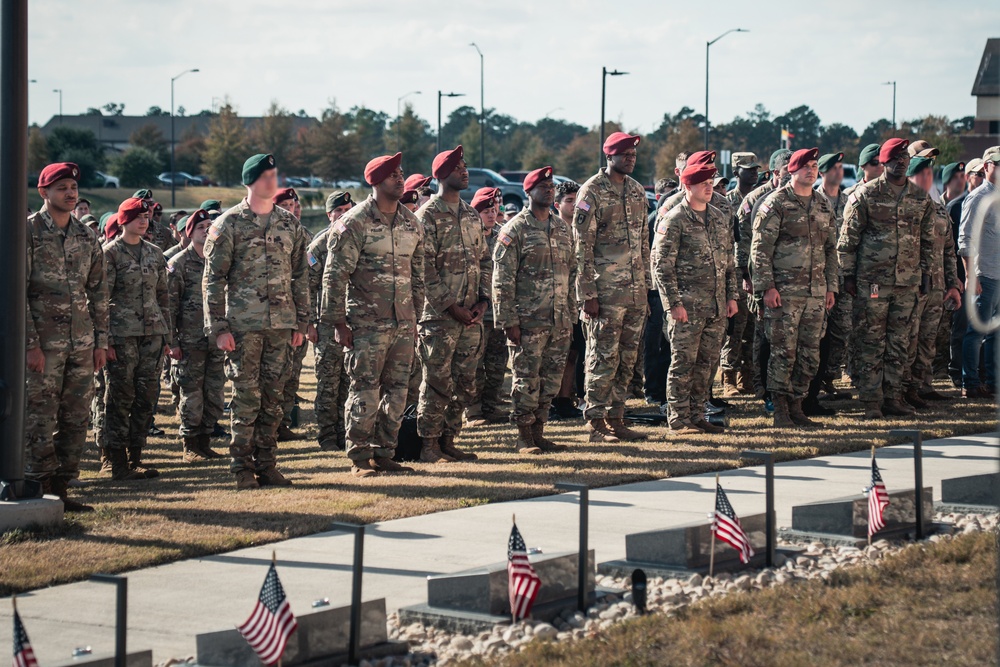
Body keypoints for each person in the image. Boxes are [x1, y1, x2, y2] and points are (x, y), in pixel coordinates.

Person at [203, 154, 310, 490]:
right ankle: (242, 468)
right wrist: (219, 328)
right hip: (244, 327)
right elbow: (213, 279)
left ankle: (267, 465)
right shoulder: (228, 224)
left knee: (274, 400)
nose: (272, 181)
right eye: (265, 176)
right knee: (246, 398)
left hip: (281, 326)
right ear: (249, 181)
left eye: (274, 175)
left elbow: (300, 276)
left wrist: (301, 322)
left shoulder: (289, 223)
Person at [321, 153, 424, 478]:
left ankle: (384, 452)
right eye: (393, 175)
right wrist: (338, 322)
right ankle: (360, 457)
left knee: (398, 392)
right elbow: (334, 275)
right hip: (366, 324)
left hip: (403, 323)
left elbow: (418, 275)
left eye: (401, 173)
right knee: (364, 390)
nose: (400, 179)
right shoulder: (355, 222)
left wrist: (416, 318)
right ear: (376, 181)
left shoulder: (411, 223)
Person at [25, 162, 108, 511]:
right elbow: (15, 292)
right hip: (44, 345)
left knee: (76, 417)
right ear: (44, 192)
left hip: (81, 343)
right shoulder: (27, 232)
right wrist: (30, 344)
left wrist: (101, 342)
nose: (70, 193)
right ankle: (38, 487)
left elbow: (99, 291)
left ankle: (61, 489)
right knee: (40, 416)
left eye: (73, 187)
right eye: (61, 188)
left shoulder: (86, 236)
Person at [838, 138, 935, 419]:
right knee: (871, 341)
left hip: (907, 282)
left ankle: (893, 397)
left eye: (904, 157)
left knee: (899, 342)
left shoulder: (920, 198)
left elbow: (927, 241)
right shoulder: (866, 195)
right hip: (873, 282)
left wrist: (927, 274)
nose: (901, 162)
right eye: (894, 158)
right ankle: (871, 401)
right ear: (883, 162)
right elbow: (847, 241)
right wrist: (848, 277)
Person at [751, 148, 838, 428]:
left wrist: (831, 287)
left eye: (814, 166)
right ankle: (780, 410)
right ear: (791, 170)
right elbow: (760, 250)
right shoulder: (776, 202)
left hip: (815, 293)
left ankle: (798, 406)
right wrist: (767, 287)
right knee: (783, 353)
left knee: (809, 354)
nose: (811, 171)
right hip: (784, 294)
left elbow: (830, 249)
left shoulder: (823, 204)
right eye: (805, 166)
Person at [573, 131, 650, 442]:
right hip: (605, 293)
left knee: (627, 360)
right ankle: (595, 423)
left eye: (633, 155)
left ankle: (617, 418)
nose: (630, 159)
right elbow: (581, 247)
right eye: (625, 155)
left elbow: (644, 242)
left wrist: (646, 285)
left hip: (635, 292)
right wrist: (587, 294)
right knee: (602, 357)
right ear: (609, 156)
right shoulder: (591, 191)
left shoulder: (637, 190)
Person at [414, 146, 490, 463]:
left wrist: (483, 300)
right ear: (442, 175)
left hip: (471, 316)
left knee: (465, 383)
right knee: (436, 383)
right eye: (458, 167)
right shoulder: (427, 216)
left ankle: (448, 439)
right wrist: (449, 306)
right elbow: (423, 267)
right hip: (439, 318)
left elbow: (484, 260)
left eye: (465, 166)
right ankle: (429, 445)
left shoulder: (471, 215)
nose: (465, 171)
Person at [492, 167, 575, 454]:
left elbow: (572, 272)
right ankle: (524, 436)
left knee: (550, 381)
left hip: (559, 320)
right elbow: (502, 280)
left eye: (551, 186)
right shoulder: (514, 229)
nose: (549, 191)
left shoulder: (562, 228)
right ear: (528, 192)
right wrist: (508, 321)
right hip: (527, 321)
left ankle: (539, 432)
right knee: (526, 380)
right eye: (543, 187)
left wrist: (570, 313)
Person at [651, 161, 737, 434]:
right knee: (683, 364)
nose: (709, 188)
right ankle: (678, 419)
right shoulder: (675, 219)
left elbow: (729, 262)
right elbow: (662, 266)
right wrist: (673, 304)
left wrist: (731, 297)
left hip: (715, 306)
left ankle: (698, 415)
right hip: (686, 307)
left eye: (711, 183)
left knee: (707, 365)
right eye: (703, 184)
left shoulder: (719, 217)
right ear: (688, 186)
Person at [102, 197, 171, 480]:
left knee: (146, 397)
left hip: (152, 334)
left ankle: (136, 457)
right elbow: (100, 299)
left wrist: (167, 335)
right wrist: (105, 340)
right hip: (122, 335)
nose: (143, 221)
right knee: (120, 396)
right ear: (123, 220)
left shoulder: (155, 253)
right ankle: (115, 461)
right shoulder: (110, 254)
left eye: (146, 217)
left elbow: (163, 296)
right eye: (137, 217)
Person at [901, 157, 962, 406]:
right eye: (921, 173)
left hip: (936, 287)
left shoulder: (939, 210)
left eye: (929, 173)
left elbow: (949, 250)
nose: (927, 177)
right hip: (911, 286)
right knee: (908, 340)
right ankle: (901, 389)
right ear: (909, 177)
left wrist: (952, 283)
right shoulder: (902, 207)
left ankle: (921, 387)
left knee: (928, 340)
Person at [166, 209, 225, 462]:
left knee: (215, 393)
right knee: (192, 395)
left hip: (215, 340)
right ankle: (190, 445)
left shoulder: (217, 260)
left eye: (209, 226)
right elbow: (169, 307)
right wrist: (172, 342)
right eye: (200, 227)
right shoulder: (178, 263)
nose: (206, 230)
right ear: (189, 233)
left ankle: (205, 441)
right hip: (189, 342)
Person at [308, 191, 354, 451]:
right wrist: (308, 323)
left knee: (349, 381)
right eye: (339, 210)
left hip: (354, 323)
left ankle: (345, 431)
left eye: (347, 209)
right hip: (326, 326)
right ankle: (327, 435)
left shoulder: (358, 239)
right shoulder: (320, 245)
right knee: (328, 383)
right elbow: (306, 287)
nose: (344, 214)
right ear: (329, 215)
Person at [272, 187, 317, 441]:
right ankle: (270, 425)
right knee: (274, 375)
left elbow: (308, 277)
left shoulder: (304, 234)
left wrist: (306, 319)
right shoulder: (270, 232)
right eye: (285, 205)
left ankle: (284, 422)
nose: (291, 210)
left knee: (292, 372)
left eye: (293, 205)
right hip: (276, 315)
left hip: (298, 314)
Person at [957, 146, 1000, 399]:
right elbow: (965, 239)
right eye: (998, 164)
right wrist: (970, 275)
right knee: (976, 332)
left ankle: (993, 382)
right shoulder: (978, 197)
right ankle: (970, 383)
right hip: (984, 274)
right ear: (986, 167)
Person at [466, 187, 509, 425]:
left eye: (493, 210)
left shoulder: (504, 235)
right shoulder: (468, 236)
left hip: (498, 311)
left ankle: (491, 407)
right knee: (474, 364)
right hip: (476, 311)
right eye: (485, 211)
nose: (491, 215)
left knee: (497, 363)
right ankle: (473, 411)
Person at [721, 152, 761, 397]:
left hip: (758, 270)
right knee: (735, 325)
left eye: (756, 168)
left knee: (753, 327)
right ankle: (728, 377)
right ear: (736, 172)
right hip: (736, 271)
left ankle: (746, 377)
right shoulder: (727, 201)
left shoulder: (761, 198)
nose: (754, 172)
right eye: (749, 169)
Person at [945, 159, 982, 386]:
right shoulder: (956, 206)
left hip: (985, 276)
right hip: (962, 277)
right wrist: (955, 278)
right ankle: (956, 371)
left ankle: (980, 372)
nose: (982, 178)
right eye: (978, 174)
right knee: (961, 328)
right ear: (968, 177)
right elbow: (948, 247)